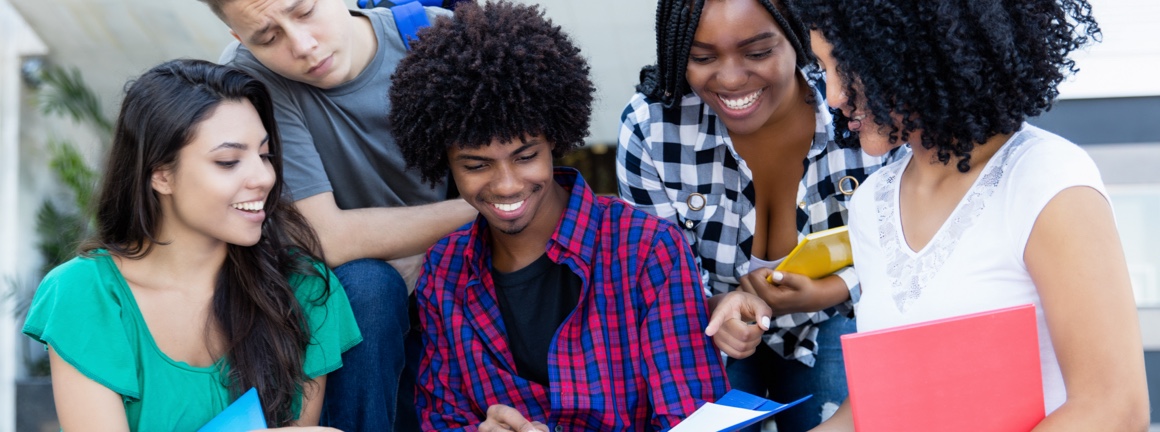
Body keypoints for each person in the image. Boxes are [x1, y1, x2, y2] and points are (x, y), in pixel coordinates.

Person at [787, 0, 1152, 430]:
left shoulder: (1045, 179)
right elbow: (882, 402)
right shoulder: (873, 202)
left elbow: (1114, 409)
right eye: (823, 68)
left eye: (848, 67)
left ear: (916, 50)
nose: (834, 96)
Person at [387, 2, 731, 430]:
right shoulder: (444, 272)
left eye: (525, 156)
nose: (507, 184)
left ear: (554, 138)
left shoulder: (646, 250)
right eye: (476, 166)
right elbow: (442, 418)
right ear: (446, 165)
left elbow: (695, 421)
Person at [20, 59, 361, 431]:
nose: (263, 177)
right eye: (229, 161)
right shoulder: (86, 294)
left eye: (265, 154)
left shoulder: (302, 287)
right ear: (161, 175)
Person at [618, 0, 905, 429]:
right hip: (709, 325)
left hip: (832, 317)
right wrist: (718, 305)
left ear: (799, 38)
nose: (731, 78)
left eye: (757, 53)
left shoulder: (860, 114)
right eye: (701, 57)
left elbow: (903, 252)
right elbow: (656, 278)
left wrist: (827, 291)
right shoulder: (651, 130)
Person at [195, 0, 478, 429]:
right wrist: (484, 209)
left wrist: (439, 247)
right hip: (348, 311)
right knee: (366, 285)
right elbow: (326, 238)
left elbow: (523, 182)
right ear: (240, 39)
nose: (304, 47)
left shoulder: (440, 38)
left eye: (305, 12)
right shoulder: (245, 84)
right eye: (268, 38)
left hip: (458, 287)